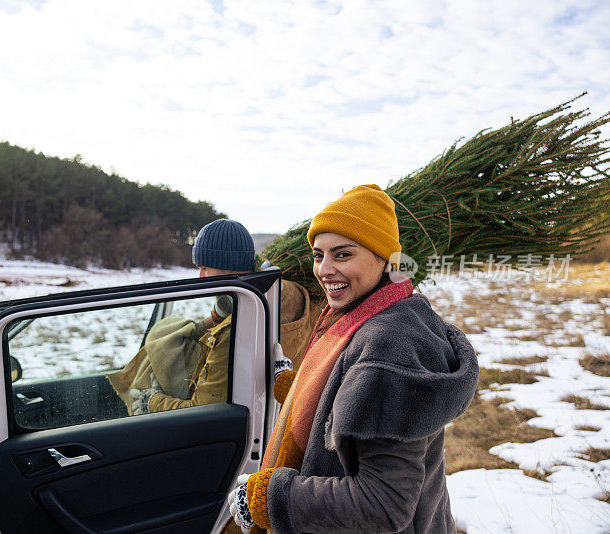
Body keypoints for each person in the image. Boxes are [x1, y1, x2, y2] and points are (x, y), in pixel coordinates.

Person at [226, 184, 479, 534]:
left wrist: (270, 497)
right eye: (318, 255)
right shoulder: (370, 315)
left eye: (342, 255)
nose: (325, 269)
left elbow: (383, 503)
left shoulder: (391, 347)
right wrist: (295, 385)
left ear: (384, 259)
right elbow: (354, 400)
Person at [132, 218, 321, 414]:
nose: (201, 277)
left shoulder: (234, 331)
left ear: (229, 266)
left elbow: (202, 412)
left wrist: (152, 402)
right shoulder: (286, 292)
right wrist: (204, 325)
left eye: (205, 268)